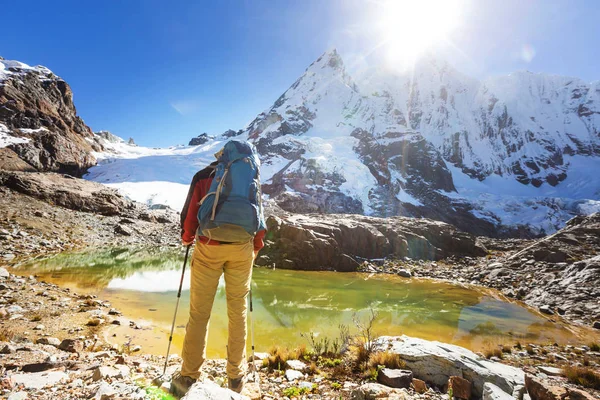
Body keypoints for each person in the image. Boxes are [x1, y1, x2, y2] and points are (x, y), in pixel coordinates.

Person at [171, 142, 266, 397]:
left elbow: (189, 217)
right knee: (238, 313)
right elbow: (259, 220)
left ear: (221, 156)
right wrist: (254, 247)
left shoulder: (204, 176)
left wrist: (188, 237)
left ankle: (189, 374)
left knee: (199, 313)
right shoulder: (250, 177)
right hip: (242, 249)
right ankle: (236, 378)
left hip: (209, 247)